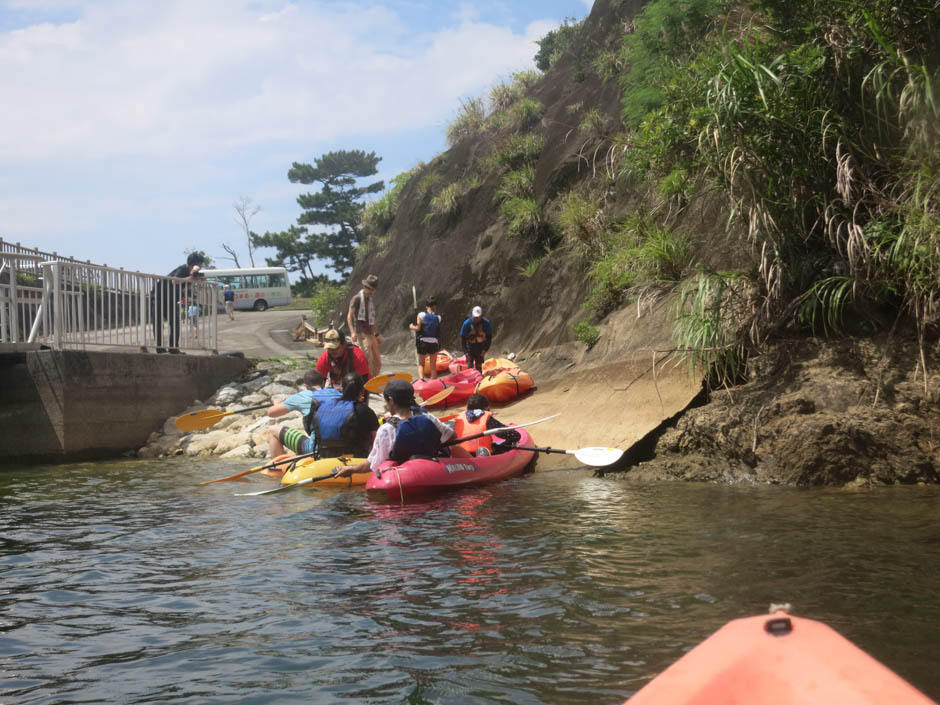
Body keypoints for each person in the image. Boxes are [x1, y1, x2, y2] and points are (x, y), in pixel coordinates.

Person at [334, 378, 471, 478]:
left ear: (391, 400)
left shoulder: (386, 429)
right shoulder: (427, 417)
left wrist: (351, 470)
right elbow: (452, 436)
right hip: (432, 471)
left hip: (402, 478)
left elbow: (373, 465)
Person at [266, 371, 378, 459]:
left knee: (272, 430)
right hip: (353, 453)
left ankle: (279, 469)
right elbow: (376, 441)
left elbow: (271, 412)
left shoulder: (319, 403)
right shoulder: (339, 395)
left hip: (319, 451)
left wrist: (277, 403)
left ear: (305, 386)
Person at [153, 252, 205, 354]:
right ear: (193, 264)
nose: (201, 266)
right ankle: (160, 349)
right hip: (158, 296)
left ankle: (173, 348)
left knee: (175, 323)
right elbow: (174, 281)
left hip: (171, 298)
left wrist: (198, 278)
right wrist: (192, 278)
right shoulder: (182, 269)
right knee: (158, 323)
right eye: (200, 264)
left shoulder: (191, 273)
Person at [452, 393, 521, 456]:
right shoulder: (486, 418)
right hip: (484, 456)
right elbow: (514, 435)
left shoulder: (458, 419)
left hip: (462, 456)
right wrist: (502, 446)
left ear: (467, 407)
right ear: (486, 407)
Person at [347, 274, 382, 377]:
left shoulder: (370, 300)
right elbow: (349, 315)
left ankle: (373, 380)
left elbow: (372, 319)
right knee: (368, 360)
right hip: (361, 333)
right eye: (369, 288)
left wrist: (376, 334)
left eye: (373, 289)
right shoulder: (357, 298)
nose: (371, 291)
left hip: (371, 333)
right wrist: (352, 332)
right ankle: (367, 381)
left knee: (377, 362)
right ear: (364, 287)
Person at [409, 296, 442, 381]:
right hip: (434, 342)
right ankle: (433, 382)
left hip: (423, 342)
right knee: (433, 366)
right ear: (435, 306)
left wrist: (411, 327)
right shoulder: (438, 317)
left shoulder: (421, 315)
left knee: (421, 364)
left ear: (426, 306)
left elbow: (418, 328)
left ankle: (422, 380)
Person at [459, 305, 492, 373]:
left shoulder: (486, 323)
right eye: (475, 317)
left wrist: (484, 350)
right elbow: (463, 339)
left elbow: (489, 338)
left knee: (479, 367)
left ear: (481, 316)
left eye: (478, 317)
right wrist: (465, 352)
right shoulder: (467, 323)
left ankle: (479, 377)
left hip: (480, 347)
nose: (476, 319)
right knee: (469, 367)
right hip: (470, 348)